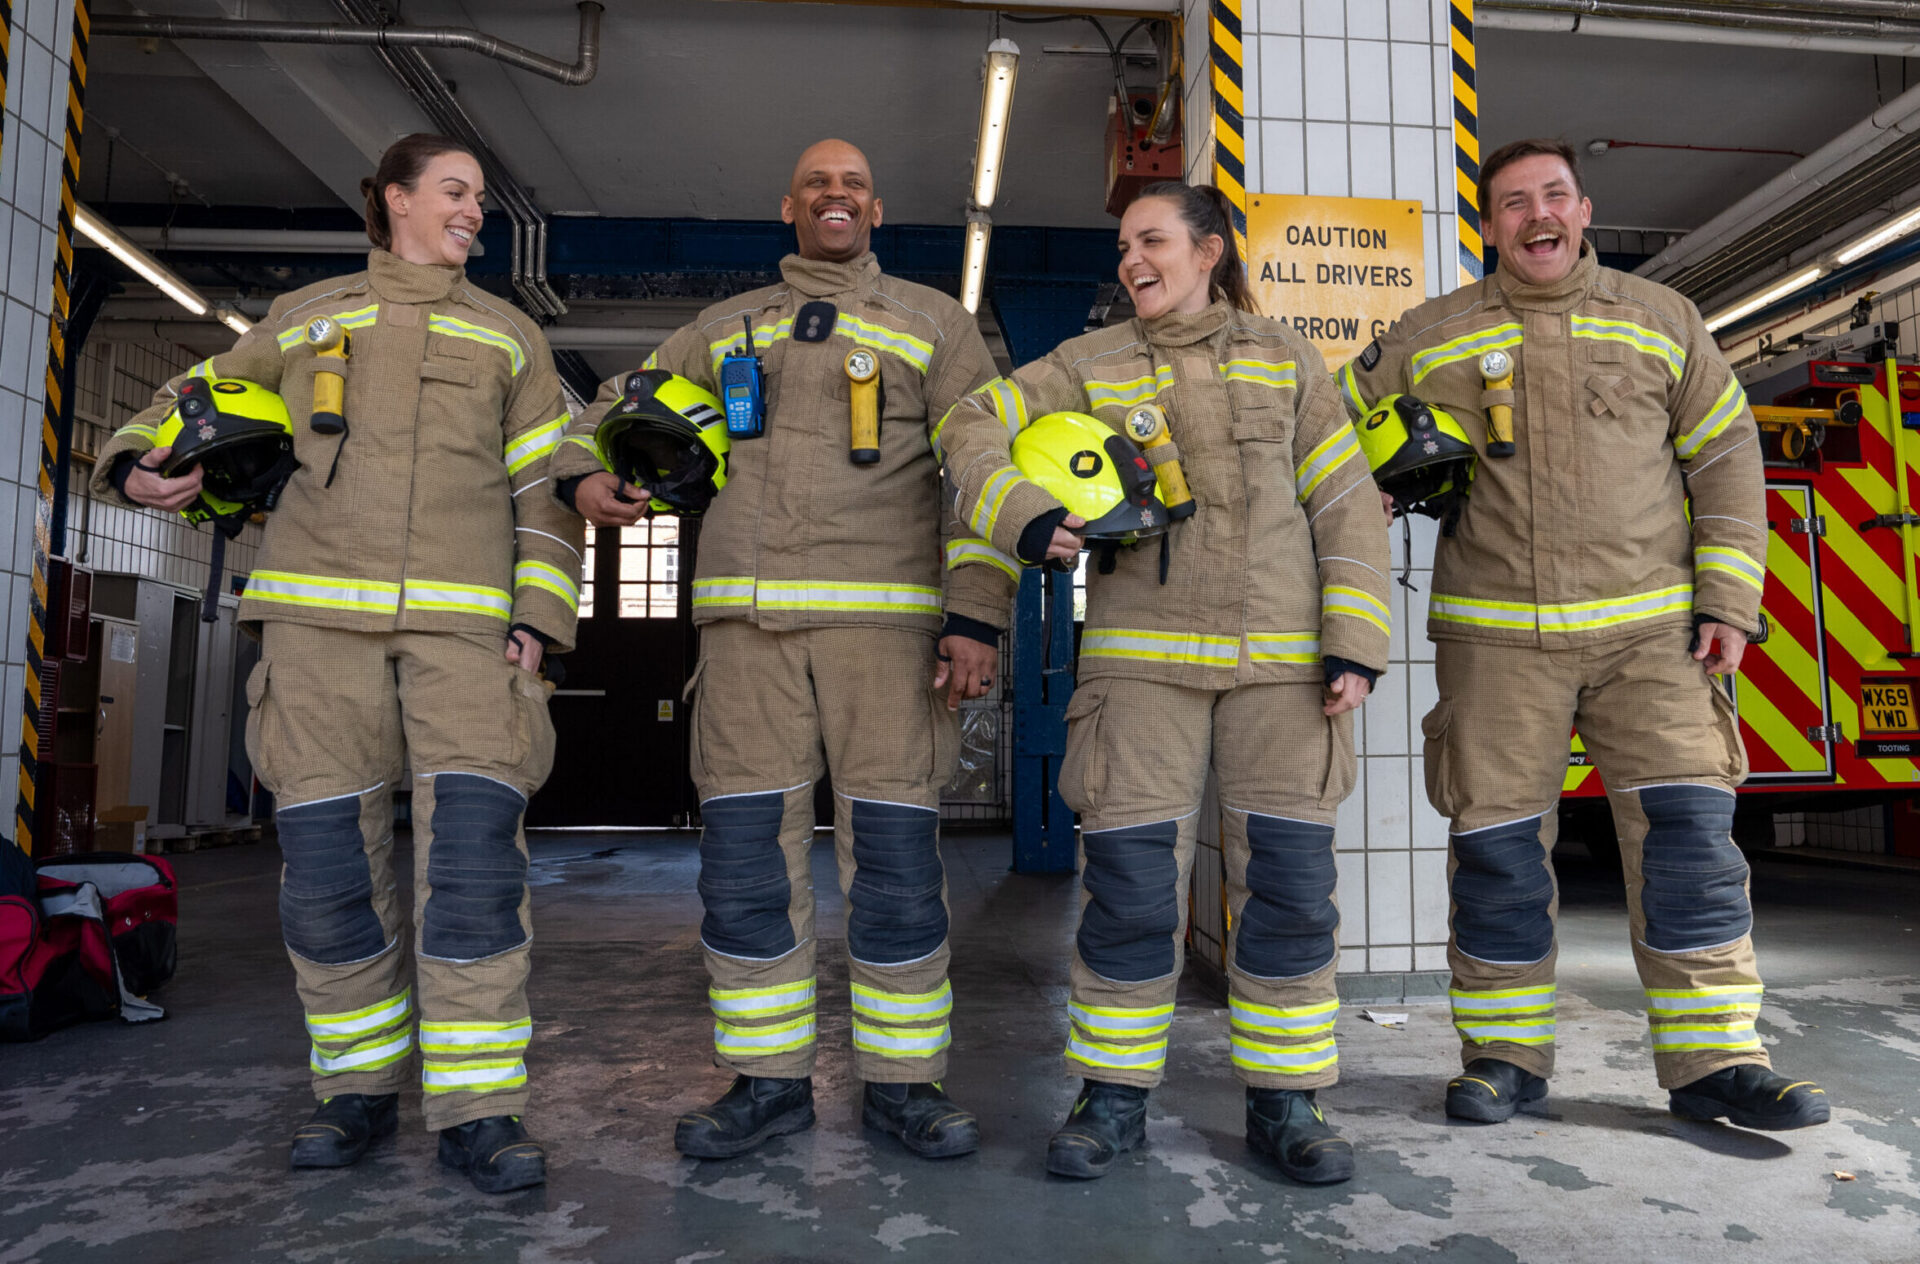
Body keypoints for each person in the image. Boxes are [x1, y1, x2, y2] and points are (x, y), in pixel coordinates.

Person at [96, 133, 583, 1193]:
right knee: (326, 877)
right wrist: (134, 462)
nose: (473, 214)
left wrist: (539, 621)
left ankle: (479, 1109)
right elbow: (194, 393)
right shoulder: (304, 317)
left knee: (474, 878)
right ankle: (354, 1093)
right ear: (395, 201)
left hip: (464, 638)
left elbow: (546, 493)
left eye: (480, 202)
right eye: (454, 193)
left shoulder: (511, 339)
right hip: (314, 632)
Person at [1337, 138, 1829, 1131]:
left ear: (1585, 207)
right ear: (1490, 226)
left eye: (1553, 194)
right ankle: (1503, 1057)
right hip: (1496, 641)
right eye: (1514, 202)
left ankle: (1716, 1059)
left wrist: (1729, 601)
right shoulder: (1431, 335)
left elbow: (1730, 456)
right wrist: (1374, 482)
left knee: (1691, 841)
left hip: (1654, 638)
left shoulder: (1663, 322)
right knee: (1500, 853)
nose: (1536, 214)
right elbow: (1335, 427)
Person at [549, 139, 1009, 1161]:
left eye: (852, 183)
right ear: (789, 207)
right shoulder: (723, 327)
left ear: (876, 208)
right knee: (745, 864)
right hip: (746, 635)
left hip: (888, 635)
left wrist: (976, 612)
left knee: (893, 866)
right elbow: (616, 404)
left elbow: (979, 469)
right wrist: (582, 474)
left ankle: (902, 1084)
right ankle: (766, 1081)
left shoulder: (934, 321)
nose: (834, 195)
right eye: (817, 184)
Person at [936, 182, 1391, 1184]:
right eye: (1123, 246)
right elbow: (969, 423)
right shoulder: (1087, 364)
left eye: (1151, 240)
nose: (1130, 259)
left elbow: (1348, 502)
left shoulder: (1286, 362)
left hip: (1283, 668)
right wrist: (1018, 510)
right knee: (1132, 889)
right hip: (1140, 670)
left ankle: (1287, 1101)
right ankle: (1111, 1096)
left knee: (1288, 890)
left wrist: (1354, 636)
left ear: (1209, 250)